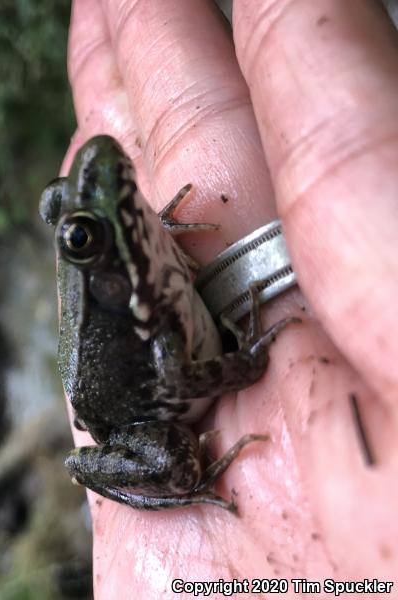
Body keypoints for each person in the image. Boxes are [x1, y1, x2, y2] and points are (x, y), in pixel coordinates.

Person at [61, 1, 398, 595]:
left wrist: (153, 232)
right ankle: (191, 489)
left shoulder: (136, 251)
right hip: (134, 417)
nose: (89, 173)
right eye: (83, 234)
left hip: (103, 376)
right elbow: (182, 379)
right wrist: (252, 362)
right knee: (178, 460)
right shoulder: (148, 318)